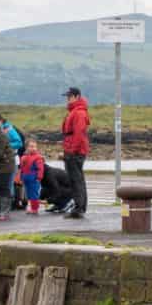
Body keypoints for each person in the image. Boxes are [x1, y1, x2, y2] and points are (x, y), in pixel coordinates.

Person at [61, 86, 90, 219]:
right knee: (77, 179)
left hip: (75, 152)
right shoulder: (76, 111)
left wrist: (71, 151)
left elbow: (78, 134)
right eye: (67, 97)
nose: (68, 99)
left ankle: (79, 208)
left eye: (70, 96)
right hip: (73, 150)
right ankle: (80, 207)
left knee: (76, 180)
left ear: (77, 96)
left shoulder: (78, 112)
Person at [20, 138, 47, 214]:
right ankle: (31, 207)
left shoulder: (38, 158)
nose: (33, 148)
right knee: (28, 194)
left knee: (34, 194)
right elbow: (22, 169)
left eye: (35, 147)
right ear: (26, 148)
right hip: (26, 178)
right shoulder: (23, 157)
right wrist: (21, 178)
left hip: (34, 179)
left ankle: (35, 209)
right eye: (31, 146)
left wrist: (39, 178)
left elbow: (40, 169)